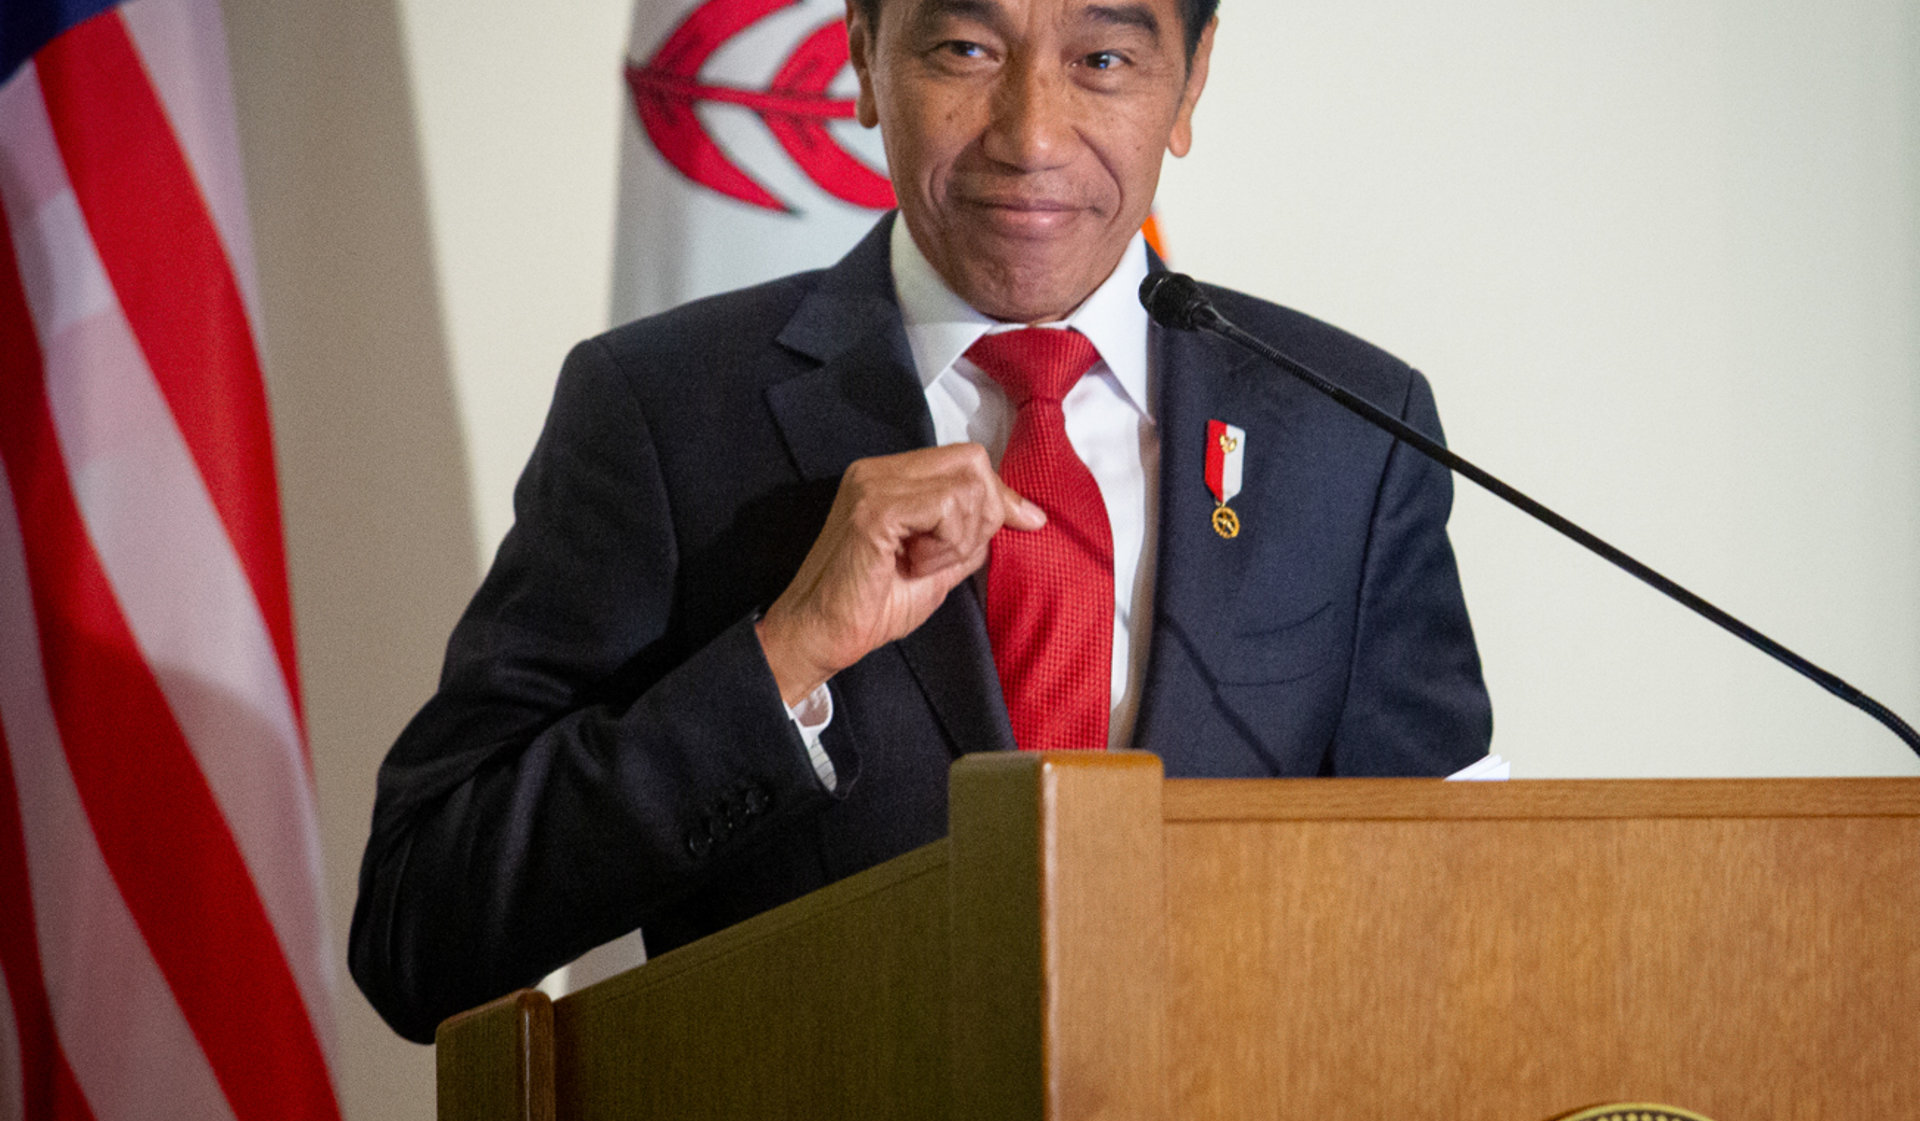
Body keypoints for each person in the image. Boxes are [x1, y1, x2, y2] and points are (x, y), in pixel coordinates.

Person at [352, 0, 1492, 1043]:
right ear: (864, 56)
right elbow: (418, 931)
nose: (1030, 136)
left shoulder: (1349, 434)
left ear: (1188, 85)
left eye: (1103, 60)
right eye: (965, 50)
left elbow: (1460, 921)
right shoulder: (664, 412)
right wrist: (786, 655)